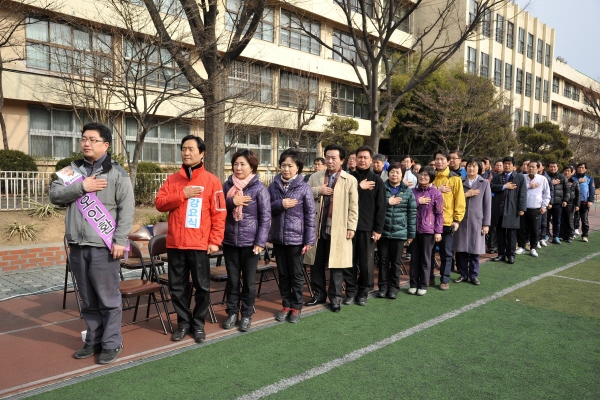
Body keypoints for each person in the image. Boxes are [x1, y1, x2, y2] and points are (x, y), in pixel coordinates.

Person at [50, 122, 134, 364]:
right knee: (87, 300)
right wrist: (82, 187)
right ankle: (93, 341)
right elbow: (55, 195)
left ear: (105, 145)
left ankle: (111, 343)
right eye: (84, 138)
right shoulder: (70, 171)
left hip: (104, 246)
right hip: (77, 245)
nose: (86, 143)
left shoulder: (118, 173)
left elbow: (126, 211)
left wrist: (120, 241)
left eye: (93, 139)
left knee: (108, 299)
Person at [155, 135, 226, 343]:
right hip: (176, 243)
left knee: (202, 286)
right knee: (177, 287)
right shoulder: (172, 180)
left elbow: (219, 213)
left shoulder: (212, 181)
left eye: (191, 149)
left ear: (202, 153)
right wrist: (182, 194)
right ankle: (183, 323)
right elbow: (159, 203)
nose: (186, 153)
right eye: (183, 149)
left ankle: (198, 324)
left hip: (200, 244)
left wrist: (215, 240)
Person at [304, 144, 358, 312]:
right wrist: (317, 190)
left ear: (342, 160)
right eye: (327, 157)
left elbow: (354, 206)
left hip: (338, 228)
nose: (330, 161)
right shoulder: (315, 177)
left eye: (334, 158)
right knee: (316, 263)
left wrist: (351, 226)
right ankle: (318, 295)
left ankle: (335, 298)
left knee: (336, 264)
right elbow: (304, 195)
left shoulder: (349, 180)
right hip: (317, 227)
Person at [222, 149, 271, 332]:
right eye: (235, 164)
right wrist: (232, 202)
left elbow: (265, 218)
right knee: (233, 280)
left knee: (249, 282)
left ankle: (247, 314)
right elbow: (218, 208)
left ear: (251, 167)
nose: (238, 167)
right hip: (230, 242)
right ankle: (232, 312)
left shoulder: (259, 189)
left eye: (242, 164)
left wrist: (260, 242)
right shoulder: (226, 186)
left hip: (251, 244)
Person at [268, 149, 316, 323]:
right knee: (283, 275)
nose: (286, 169)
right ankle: (285, 305)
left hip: (296, 239)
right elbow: (267, 209)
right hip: (279, 239)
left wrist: (309, 240)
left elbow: (311, 215)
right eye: (283, 165)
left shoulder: (304, 188)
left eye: (290, 166)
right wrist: (281, 204)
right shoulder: (273, 186)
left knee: (296, 275)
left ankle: (296, 307)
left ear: (298, 168)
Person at [345, 145, 386, 306]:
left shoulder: (377, 181)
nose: (362, 160)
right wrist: (358, 188)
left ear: (371, 160)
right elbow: (342, 199)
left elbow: (381, 207)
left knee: (366, 264)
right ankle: (350, 291)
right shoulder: (348, 179)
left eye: (365, 158)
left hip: (367, 229)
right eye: (359, 157)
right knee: (349, 263)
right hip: (349, 227)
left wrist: (378, 229)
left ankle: (363, 292)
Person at [377, 162, 416, 298]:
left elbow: (412, 213)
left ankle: (393, 288)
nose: (394, 174)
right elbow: (375, 206)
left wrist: (411, 234)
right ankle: (382, 287)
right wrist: (388, 202)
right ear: (388, 173)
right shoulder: (381, 187)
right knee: (383, 261)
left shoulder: (407, 191)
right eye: (392, 171)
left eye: (398, 172)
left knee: (396, 262)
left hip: (400, 233)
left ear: (402, 175)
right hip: (383, 231)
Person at [431, 149, 465, 290]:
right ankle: (429, 277)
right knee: (429, 252)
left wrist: (457, 220)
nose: (439, 161)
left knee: (446, 253)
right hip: (429, 222)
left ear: (447, 161)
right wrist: (436, 189)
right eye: (437, 159)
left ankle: (445, 279)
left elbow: (460, 200)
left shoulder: (454, 178)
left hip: (447, 222)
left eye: (442, 159)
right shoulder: (429, 176)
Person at [453, 159, 491, 285]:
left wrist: (486, 223)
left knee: (475, 250)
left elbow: (487, 204)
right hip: (461, 220)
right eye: (469, 166)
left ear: (479, 169)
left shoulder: (484, 183)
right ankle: (463, 274)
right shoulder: (460, 181)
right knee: (461, 249)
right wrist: (466, 194)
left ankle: (473, 275)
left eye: (474, 167)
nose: (471, 169)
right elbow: (454, 198)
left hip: (477, 220)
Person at [410, 167, 443, 296]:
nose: (422, 177)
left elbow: (439, 214)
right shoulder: (412, 191)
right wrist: (418, 201)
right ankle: (413, 283)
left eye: (426, 175)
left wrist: (438, 231)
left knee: (425, 258)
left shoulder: (436, 193)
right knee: (414, 258)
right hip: (414, 230)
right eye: (421, 174)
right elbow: (407, 207)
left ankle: (423, 284)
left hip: (428, 231)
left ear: (431, 177)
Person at [490, 156, 527, 264]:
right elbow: (491, 187)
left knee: (511, 234)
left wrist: (521, 208)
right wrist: (504, 186)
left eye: (509, 164)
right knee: (500, 233)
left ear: (514, 166)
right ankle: (501, 254)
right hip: (499, 209)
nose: (506, 165)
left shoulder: (519, 178)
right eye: (505, 163)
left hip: (512, 209)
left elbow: (523, 194)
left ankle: (511, 255)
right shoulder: (497, 176)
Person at [515, 161, 550, 257]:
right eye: (529, 166)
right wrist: (529, 186)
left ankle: (533, 247)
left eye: (533, 167)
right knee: (521, 228)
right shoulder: (522, 178)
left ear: (538, 169)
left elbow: (546, 194)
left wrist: (544, 206)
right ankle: (521, 246)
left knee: (534, 229)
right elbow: (517, 190)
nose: (530, 168)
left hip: (535, 208)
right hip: (523, 207)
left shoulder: (543, 179)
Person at [546, 161, 569, 245]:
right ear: (548, 167)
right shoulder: (545, 176)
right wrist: (551, 183)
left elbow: (567, 190)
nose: (553, 168)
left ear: (557, 167)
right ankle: (546, 235)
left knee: (557, 220)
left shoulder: (562, 177)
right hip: (547, 203)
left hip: (558, 203)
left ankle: (556, 236)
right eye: (551, 166)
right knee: (546, 220)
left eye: (554, 167)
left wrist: (565, 200)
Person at [574, 162, 595, 242]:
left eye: (582, 167)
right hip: (574, 202)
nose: (581, 169)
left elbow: (592, 190)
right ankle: (572, 234)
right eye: (579, 167)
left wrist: (590, 200)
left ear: (586, 169)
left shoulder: (589, 178)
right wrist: (578, 181)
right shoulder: (573, 178)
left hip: (584, 202)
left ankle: (585, 235)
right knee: (574, 219)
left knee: (584, 220)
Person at [537, 161, 555, 247]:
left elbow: (550, 191)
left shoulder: (546, 178)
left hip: (544, 204)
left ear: (543, 167)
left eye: (538, 166)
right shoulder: (531, 177)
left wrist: (550, 202)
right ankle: (536, 239)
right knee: (536, 223)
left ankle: (542, 238)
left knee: (544, 222)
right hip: (535, 204)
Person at [560, 166, 580, 243]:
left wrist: (577, 205)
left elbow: (578, 194)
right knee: (561, 219)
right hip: (560, 203)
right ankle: (561, 235)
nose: (566, 172)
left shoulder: (575, 182)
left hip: (570, 203)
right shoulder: (560, 180)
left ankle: (570, 235)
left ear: (572, 172)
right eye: (565, 171)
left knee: (569, 220)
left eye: (568, 171)